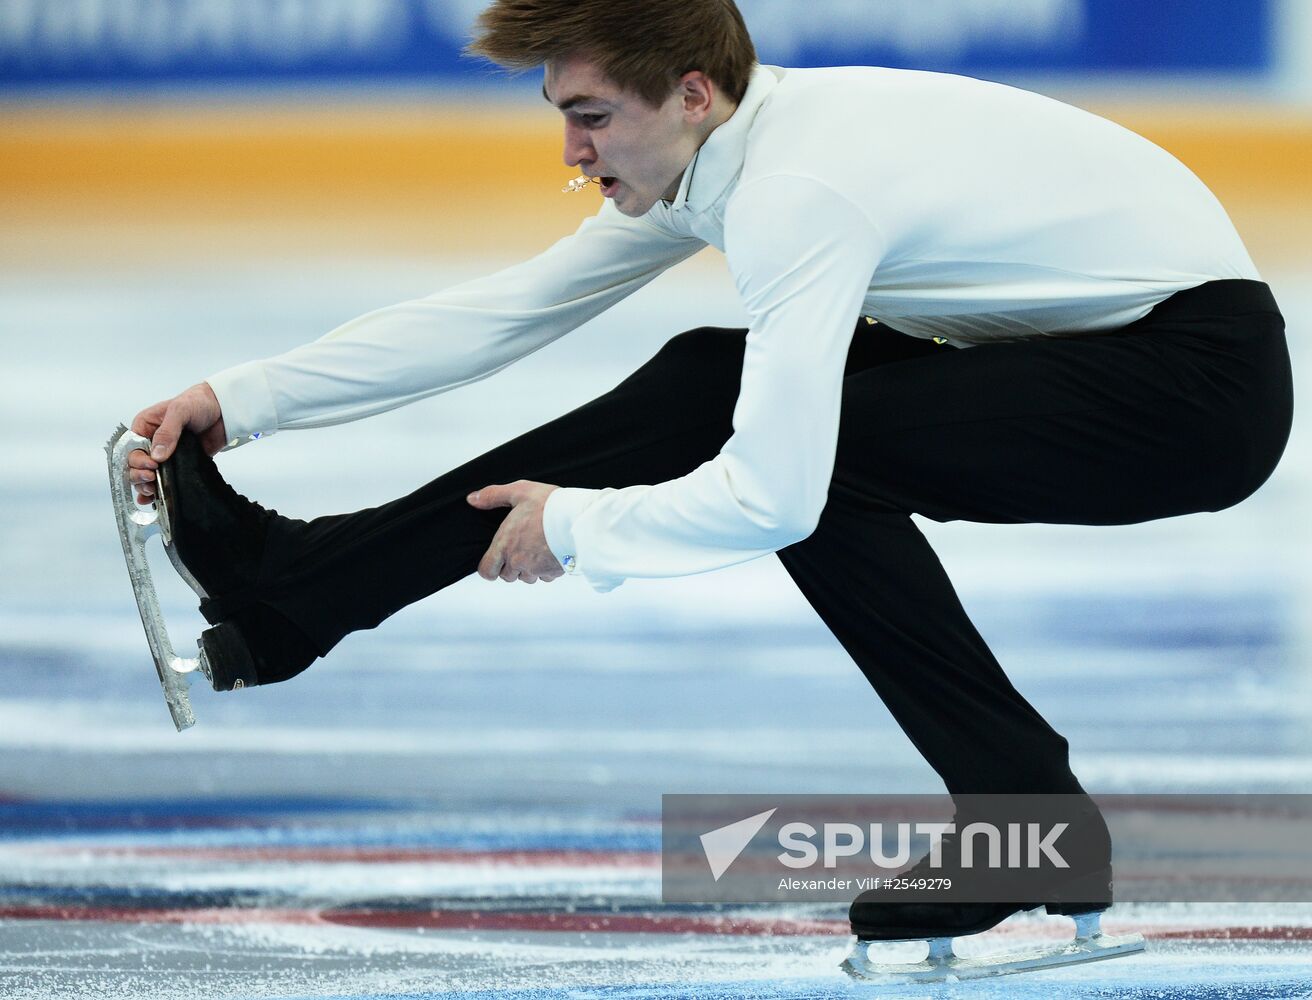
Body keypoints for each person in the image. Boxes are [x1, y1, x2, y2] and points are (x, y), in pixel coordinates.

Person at [123, 0, 1292, 964]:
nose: (571, 152)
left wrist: (577, 527)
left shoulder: (798, 191)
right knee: (701, 378)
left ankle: (1020, 809)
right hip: (1116, 355)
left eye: (590, 116)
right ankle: (294, 590)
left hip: (1190, 392)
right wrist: (245, 399)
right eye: (561, 115)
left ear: (689, 91)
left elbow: (776, 493)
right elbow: (508, 310)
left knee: (812, 455)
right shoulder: (736, 144)